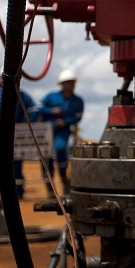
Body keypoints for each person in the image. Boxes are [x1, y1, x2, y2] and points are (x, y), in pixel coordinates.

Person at [0, 69, 36, 198]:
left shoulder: (22, 95)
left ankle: (17, 191)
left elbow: (32, 113)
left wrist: (27, 130)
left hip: (16, 136)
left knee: (16, 164)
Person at [39, 69, 84, 197]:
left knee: (60, 150)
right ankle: (49, 188)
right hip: (48, 131)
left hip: (63, 131)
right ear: (62, 84)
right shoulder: (51, 97)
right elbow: (38, 108)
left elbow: (78, 117)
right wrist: (50, 110)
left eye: (72, 82)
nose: (70, 85)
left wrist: (65, 121)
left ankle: (65, 182)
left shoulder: (78, 101)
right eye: (67, 82)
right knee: (45, 155)